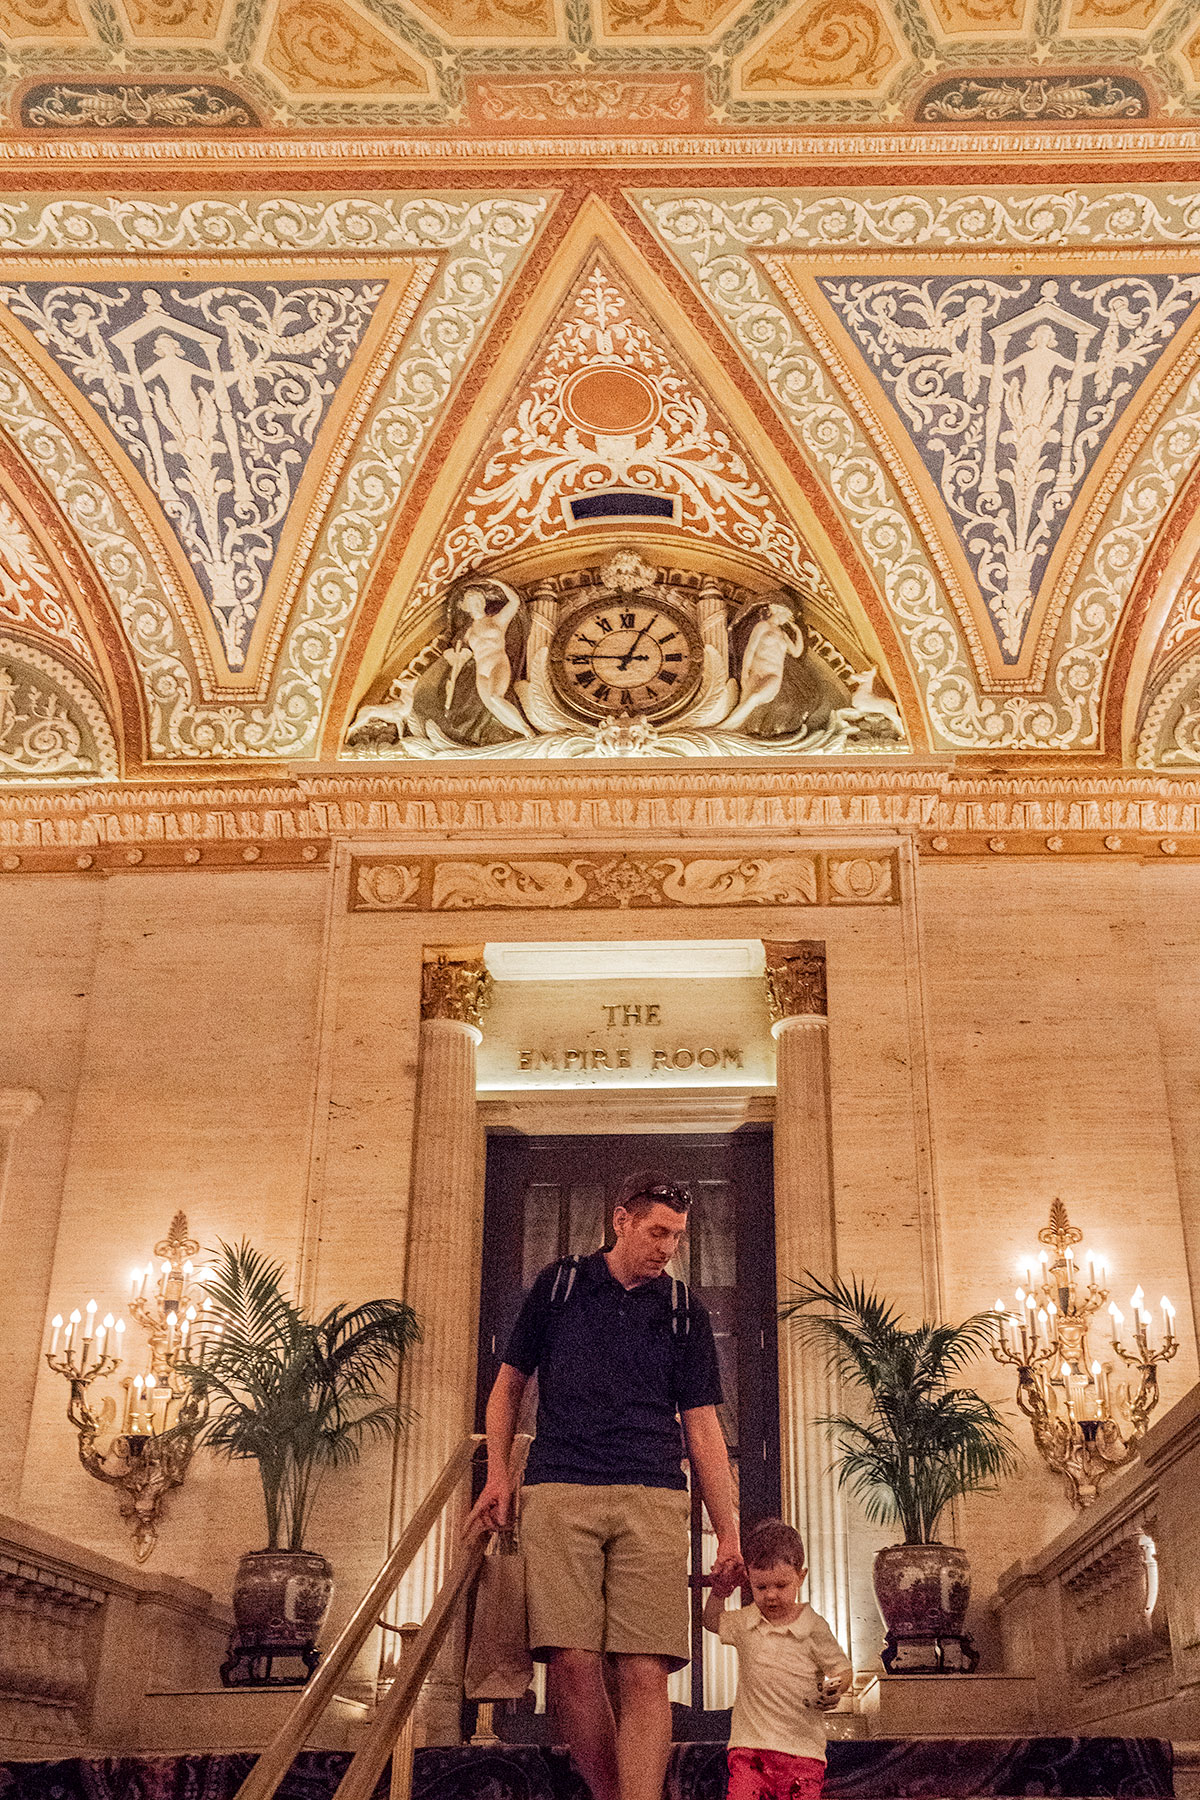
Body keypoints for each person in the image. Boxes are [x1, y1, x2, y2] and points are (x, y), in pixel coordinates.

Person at [466, 1181, 742, 1800]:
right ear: (621, 1221)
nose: (668, 1247)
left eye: (677, 1236)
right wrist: (498, 1473)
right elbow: (509, 1386)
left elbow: (703, 1427)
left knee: (646, 1669)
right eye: (657, 1232)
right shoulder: (559, 1285)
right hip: (561, 1485)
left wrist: (729, 1532)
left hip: (653, 1494)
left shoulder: (683, 1308)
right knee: (571, 1663)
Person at [703, 1518, 852, 1800]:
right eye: (761, 1587)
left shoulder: (813, 1626)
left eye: (782, 1585)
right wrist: (721, 1591)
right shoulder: (746, 1621)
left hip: (803, 1752)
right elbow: (711, 1621)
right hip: (749, 1747)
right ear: (749, 1578)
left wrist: (835, 1687)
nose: (771, 1595)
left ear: (801, 1576)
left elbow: (842, 1669)